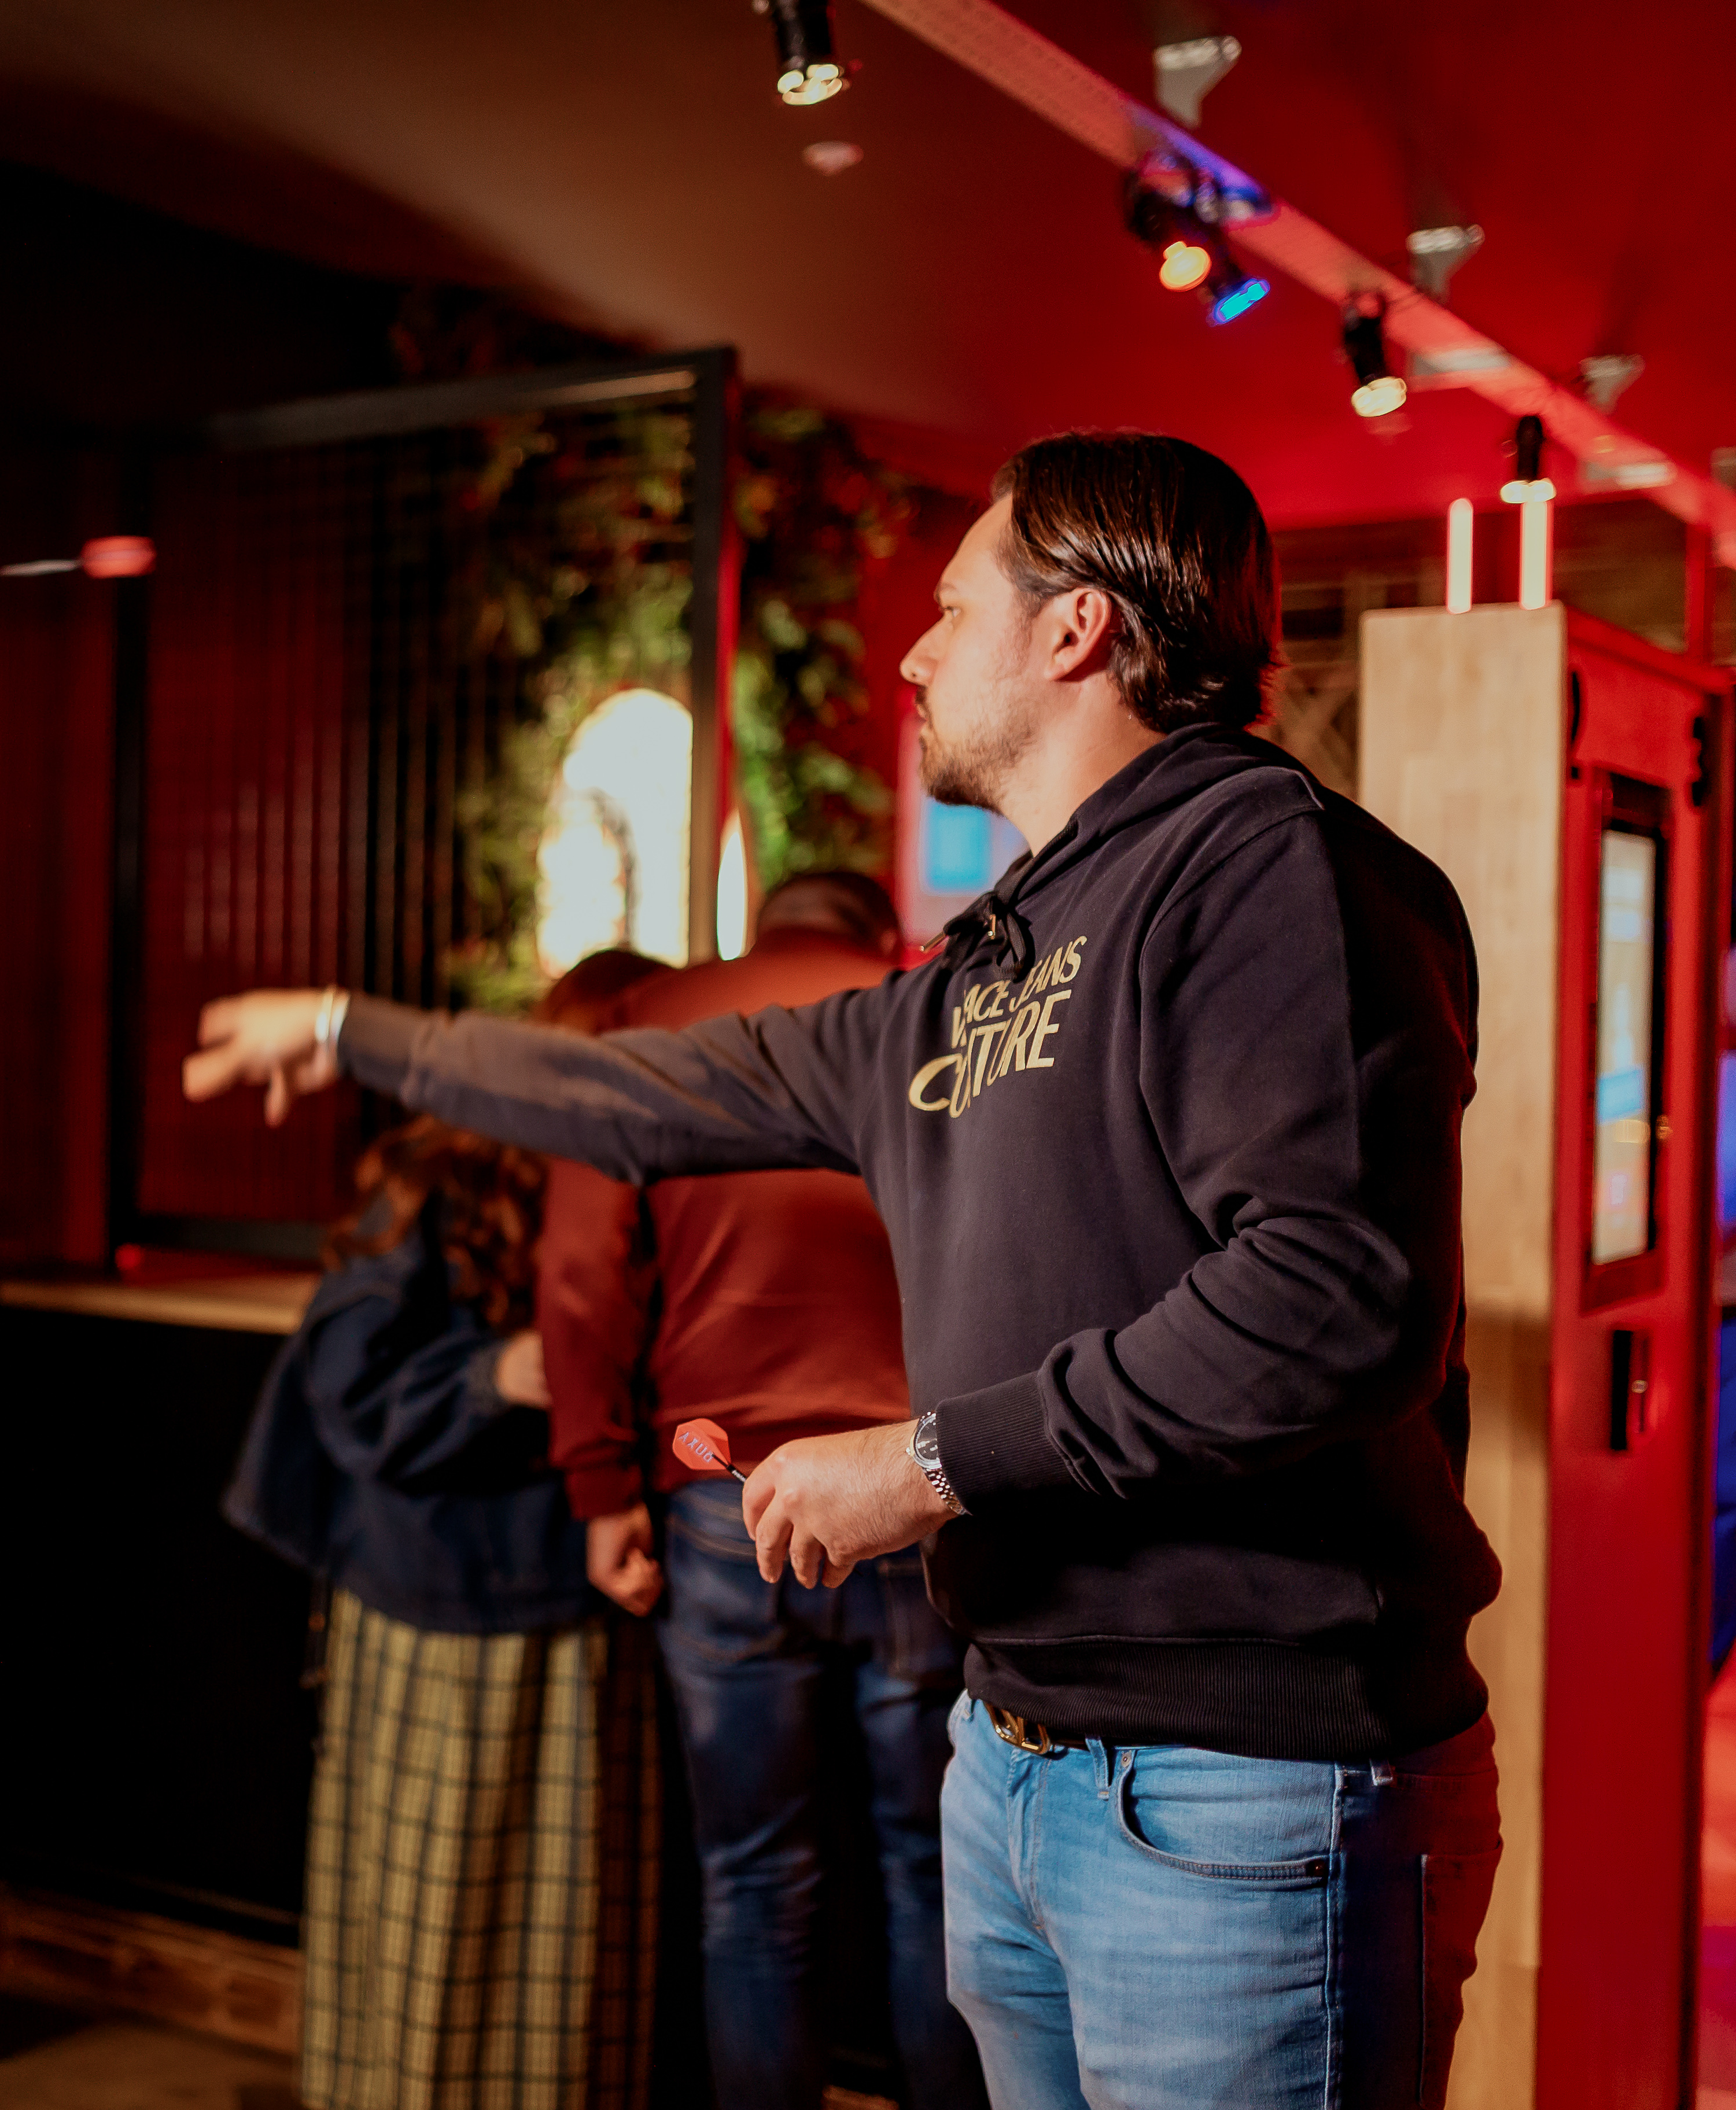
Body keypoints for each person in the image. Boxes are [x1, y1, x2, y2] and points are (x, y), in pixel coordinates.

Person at [186, 431, 1505, 2109]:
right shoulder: (984, 967)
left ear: (1076, 631)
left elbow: (1329, 1307)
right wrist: (349, 1032)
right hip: (1018, 1751)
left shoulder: (1265, 869)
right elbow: (642, 1089)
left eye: (953, 608)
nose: (911, 650)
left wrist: (930, 1461)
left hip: (1243, 1781)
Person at [541, 872, 984, 2110]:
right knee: (936, 1880)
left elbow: (582, 1270)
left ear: (763, 929)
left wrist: (599, 1489)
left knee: (751, 1884)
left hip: (725, 1497)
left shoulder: (660, 1018)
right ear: (869, 932)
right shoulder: (936, 1011)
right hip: (913, 1493)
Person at [224, 954, 661, 2110]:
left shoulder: (661, 1176)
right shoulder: (442, 1176)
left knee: (570, 1931)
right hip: (439, 1602)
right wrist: (502, 1372)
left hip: (584, 1604)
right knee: (435, 1924)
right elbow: (349, 1388)